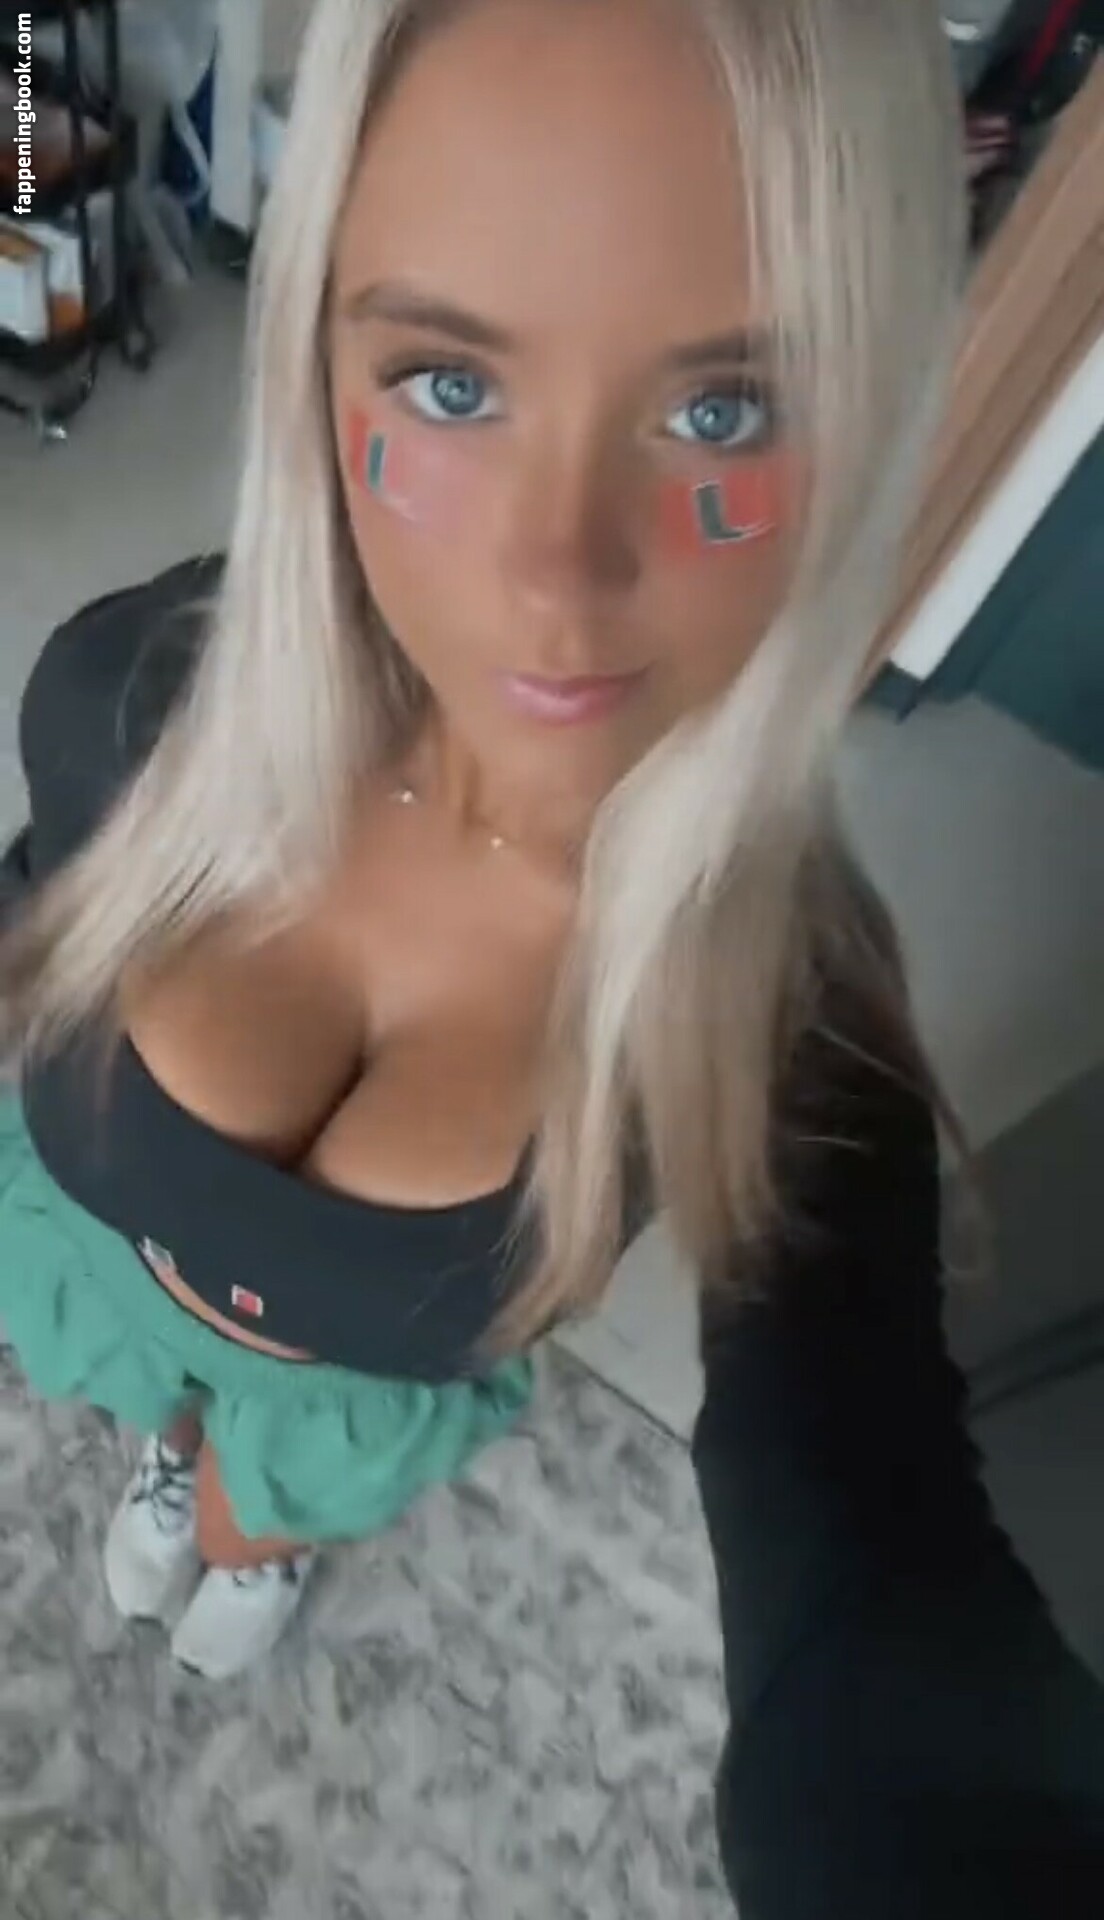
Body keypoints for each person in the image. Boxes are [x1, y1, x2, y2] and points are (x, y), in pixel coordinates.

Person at [1, 0, 1102, 1911]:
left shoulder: (775, 1017)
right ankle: (183, 1460)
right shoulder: (131, 699)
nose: (554, 576)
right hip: (110, 1276)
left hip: (349, 1396)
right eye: (448, 382)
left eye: (722, 410)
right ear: (320, 344)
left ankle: (259, 1523)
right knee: (153, 1400)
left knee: (269, 1492)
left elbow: (876, 1584)